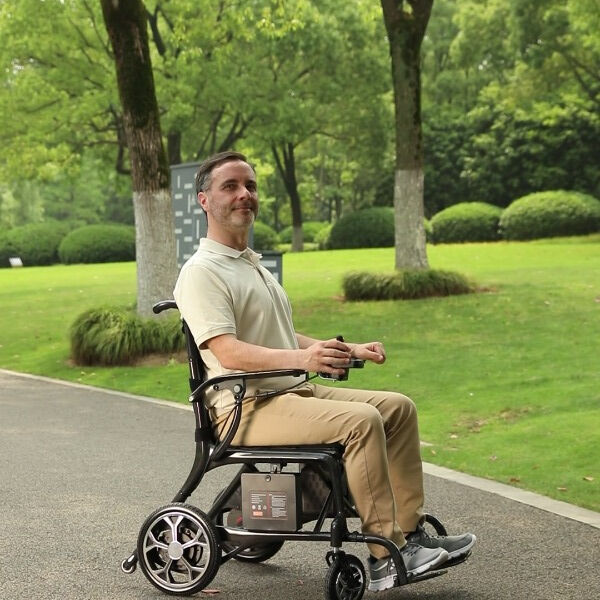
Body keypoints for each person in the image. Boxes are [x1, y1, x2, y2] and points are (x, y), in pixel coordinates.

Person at [173, 150, 475, 592]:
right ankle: (384, 554)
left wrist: (342, 349)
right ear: (204, 200)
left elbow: (283, 337)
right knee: (361, 421)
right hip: (244, 407)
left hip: (290, 395)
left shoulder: (249, 264)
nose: (244, 195)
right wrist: (303, 362)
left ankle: (410, 535)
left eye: (250, 186)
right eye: (230, 187)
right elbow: (227, 351)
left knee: (397, 408)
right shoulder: (202, 271)